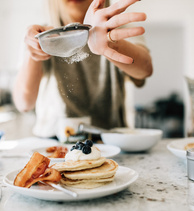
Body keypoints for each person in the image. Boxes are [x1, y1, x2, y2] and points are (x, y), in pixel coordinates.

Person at [13, 0, 153, 139]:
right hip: (52, 142)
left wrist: (110, 43)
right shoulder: (40, 36)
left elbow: (145, 70)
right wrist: (32, 53)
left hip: (108, 139)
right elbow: (24, 103)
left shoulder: (118, 26)